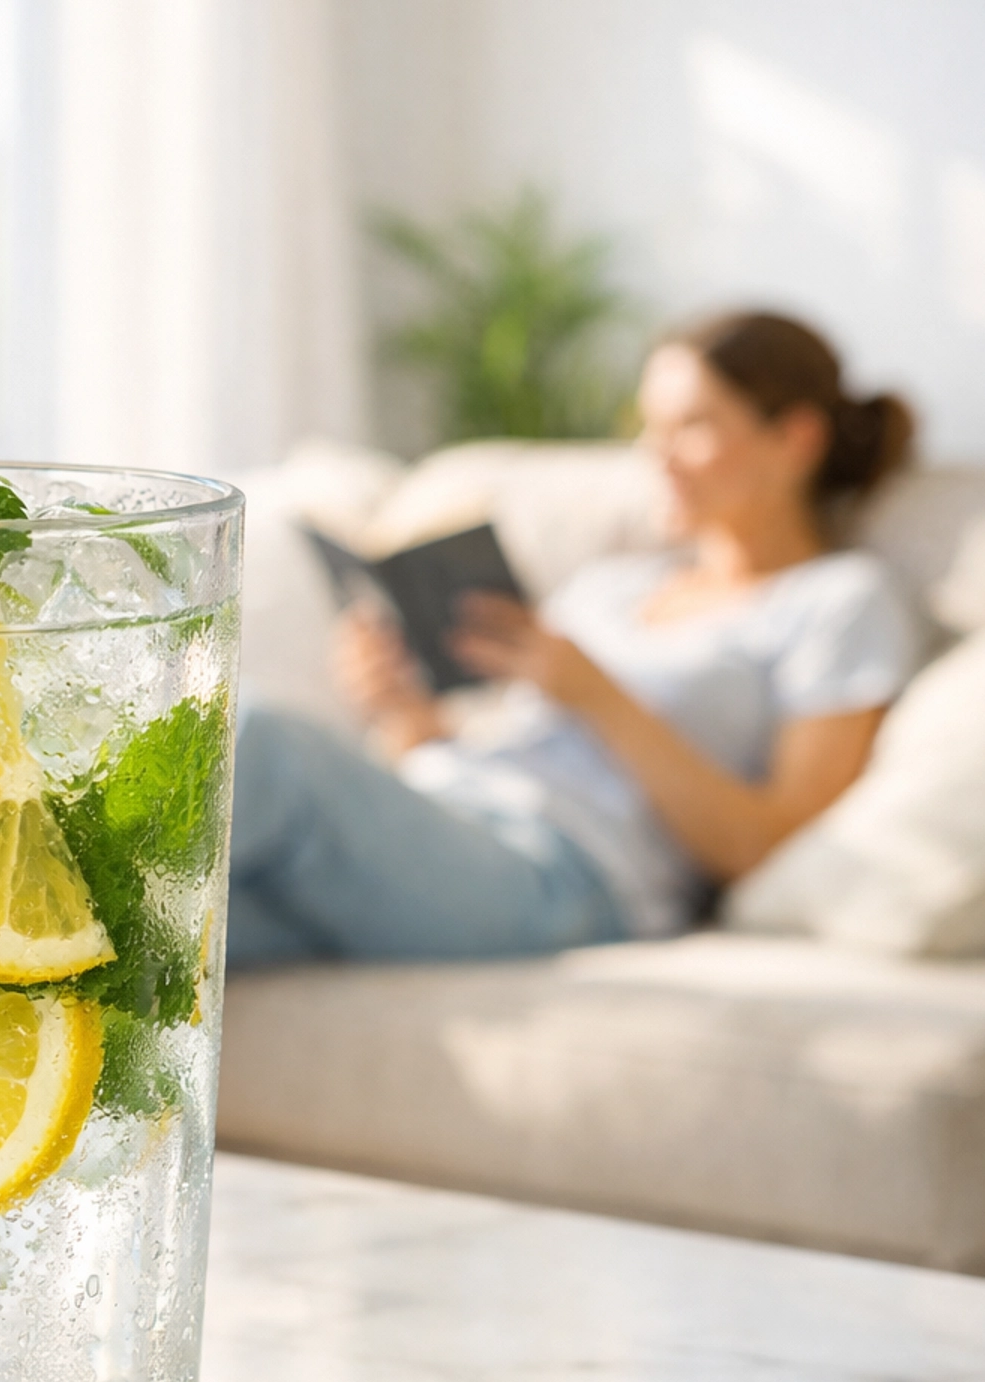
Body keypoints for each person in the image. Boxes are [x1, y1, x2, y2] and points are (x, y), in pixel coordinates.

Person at [227, 310, 919, 967]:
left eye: (693, 425)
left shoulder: (836, 601)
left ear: (796, 439)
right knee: (180, 947)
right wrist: (407, 718)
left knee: (246, 735)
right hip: (447, 817)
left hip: (561, 873)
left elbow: (773, 845)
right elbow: (502, 753)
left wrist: (594, 692)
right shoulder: (611, 588)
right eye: (651, 427)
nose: (657, 455)